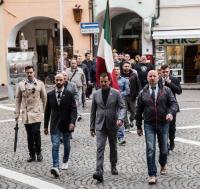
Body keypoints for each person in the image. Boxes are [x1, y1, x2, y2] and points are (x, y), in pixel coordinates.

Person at [135, 70, 178, 185]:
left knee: (164, 149)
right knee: (150, 149)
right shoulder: (142, 92)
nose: (152, 78)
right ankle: (152, 174)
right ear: (147, 78)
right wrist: (138, 126)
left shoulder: (166, 90)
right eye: (150, 76)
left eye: (154, 76)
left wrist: (170, 113)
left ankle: (163, 164)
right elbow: (138, 110)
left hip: (163, 123)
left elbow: (173, 104)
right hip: (149, 124)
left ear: (158, 77)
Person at [90, 72, 126, 182]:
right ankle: (99, 171)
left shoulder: (116, 93)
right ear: (99, 82)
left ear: (109, 81)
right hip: (100, 125)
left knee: (113, 147)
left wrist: (120, 118)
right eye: (101, 82)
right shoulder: (96, 94)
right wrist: (92, 127)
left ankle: (113, 165)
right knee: (100, 148)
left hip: (113, 124)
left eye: (105, 81)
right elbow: (93, 112)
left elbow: (122, 107)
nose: (103, 83)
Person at [44, 73, 77, 178]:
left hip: (66, 124)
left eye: (60, 80)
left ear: (64, 81)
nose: (58, 82)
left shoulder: (69, 94)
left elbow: (73, 109)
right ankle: (55, 167)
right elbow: (47, 111)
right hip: (54, 124)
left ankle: (65, 159)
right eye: (57, 80)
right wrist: (45, 126)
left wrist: (72, 122)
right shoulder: (50, 95)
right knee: (55, 144)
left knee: (66, 144)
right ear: (54, 80)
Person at [15, 65, 47, 162]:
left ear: (34, 72)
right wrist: (17, 113)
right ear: (25, 73)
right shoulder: (21, 85)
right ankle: (32, 154)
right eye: (27, 72)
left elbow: (44, 98)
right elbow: (18, 100)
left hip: (36, 113)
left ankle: (39, 153)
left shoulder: (40, 84)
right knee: (29, 135)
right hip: (26, 114)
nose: (29, 74)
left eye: (31, 72)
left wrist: (44, 111)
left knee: (36, 133)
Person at [160, 64, 182, 151]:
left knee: (171, 127)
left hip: (172, 106)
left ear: (169, 71)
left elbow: (179, 91)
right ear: (161, 71)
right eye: (163, 72)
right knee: (162, 126)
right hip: (161, 106)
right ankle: (165, 143)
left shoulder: (174, 79)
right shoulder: (157, 80)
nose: (165, 73)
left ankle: (172, 140)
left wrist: (170, 83)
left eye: (167, 72)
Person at [114, 66, 129, 145]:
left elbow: (127, 91)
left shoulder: (124, 80)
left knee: (120, 118)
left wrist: (119, 94)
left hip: (121, 102)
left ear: (120, 71)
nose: (116, 71)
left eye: (117, 69)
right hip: (111, 102)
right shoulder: (110, 79)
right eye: (115, 69)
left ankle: (121, 137)